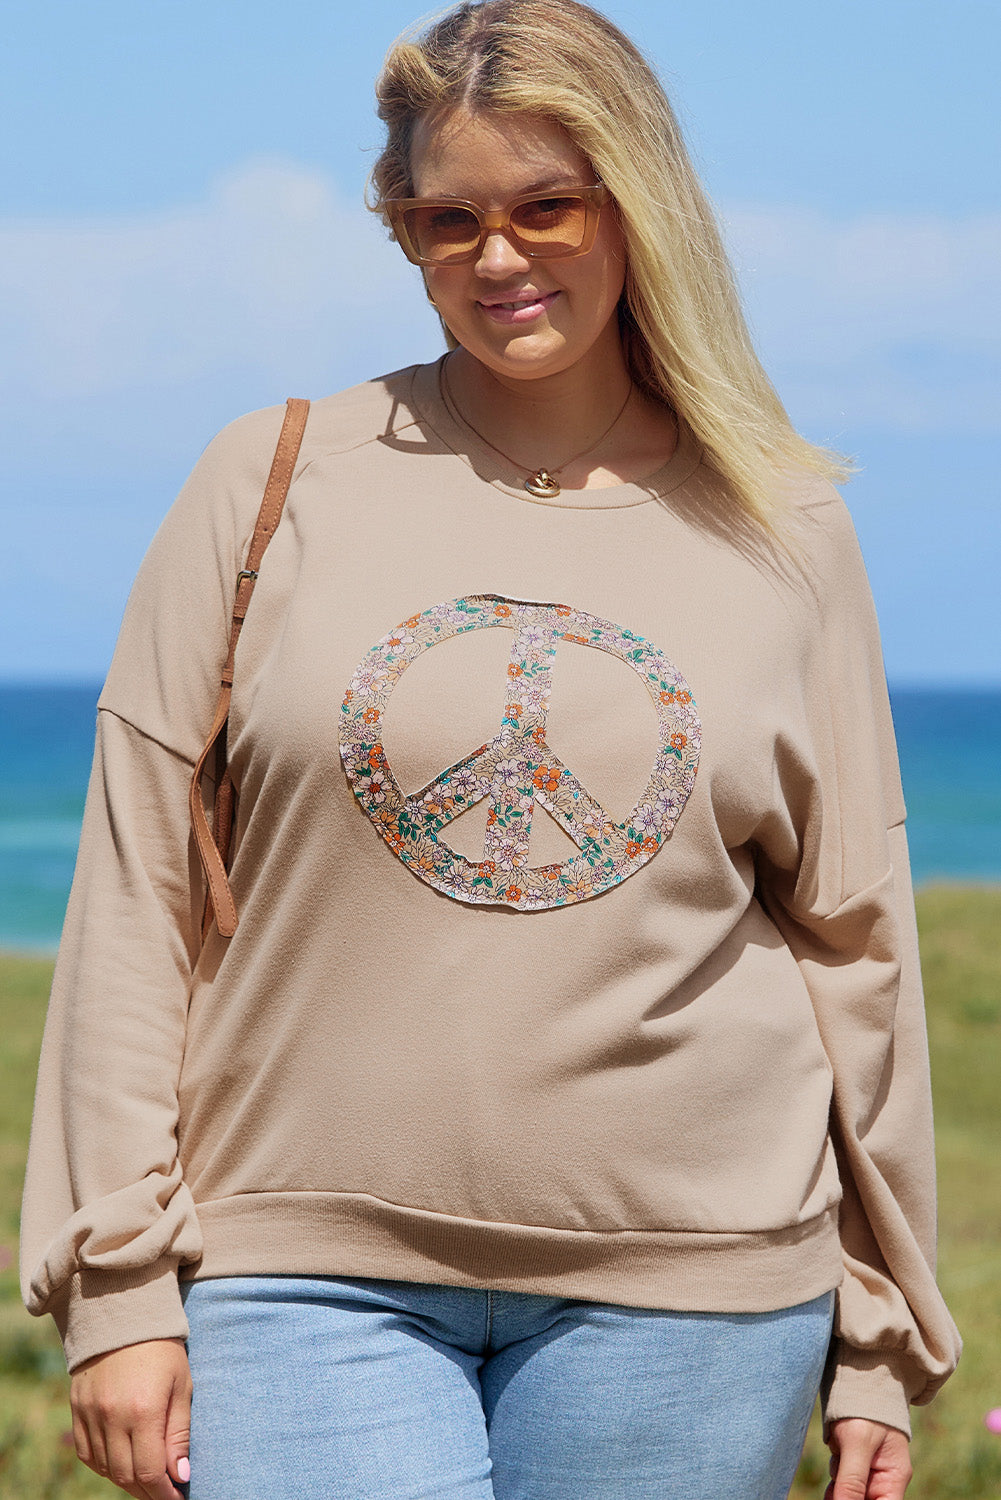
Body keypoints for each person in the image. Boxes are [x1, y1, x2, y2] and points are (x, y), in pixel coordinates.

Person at [21, 2, 960, 1497]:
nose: (499, 257)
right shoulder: (272, 482)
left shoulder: (783, 524)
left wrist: (879, 1335)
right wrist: (117, 1286)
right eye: (448, 219)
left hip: (698, 1292)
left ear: (634, 203)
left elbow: (855, 941)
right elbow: (136, 894)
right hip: (297, 1270)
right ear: (401, 232)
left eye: (546, 206)